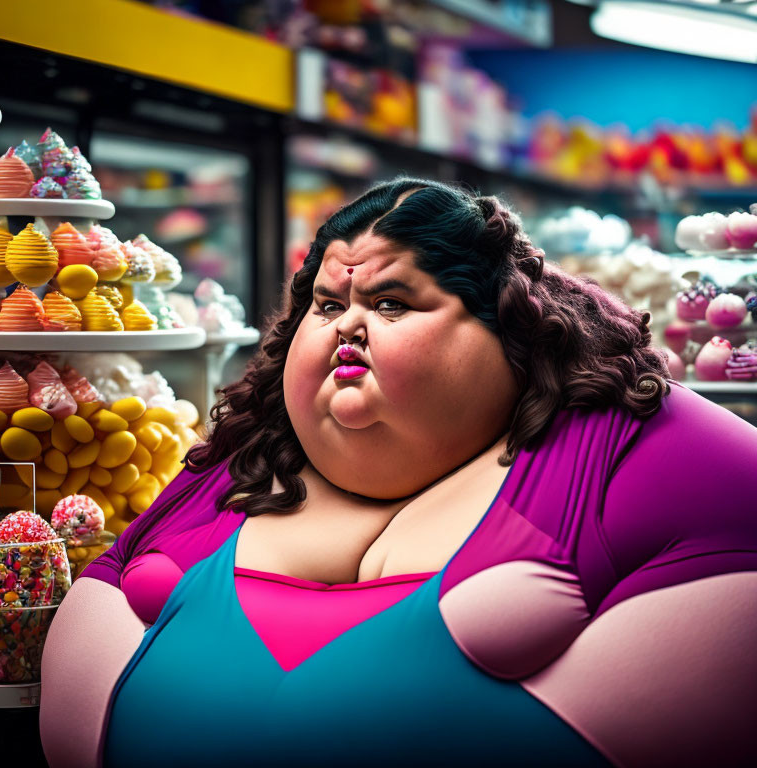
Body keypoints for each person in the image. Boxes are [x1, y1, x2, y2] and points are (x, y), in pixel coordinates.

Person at [41, 179, 757, 768]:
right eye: (328, 304)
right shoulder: (248, 456)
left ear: (504, 328)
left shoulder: (607, 441)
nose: (347, 327)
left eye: (391, 303)